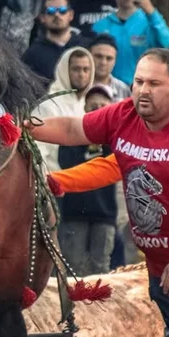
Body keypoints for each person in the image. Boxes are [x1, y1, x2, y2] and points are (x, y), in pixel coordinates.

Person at [27, 49, 169, 337]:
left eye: (154, 84)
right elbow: (76, 130)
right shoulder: (125, 116)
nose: (142, 91)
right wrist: (17, 126)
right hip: (161, 261)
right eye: (139, 82)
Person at [57, 83, 117, 276]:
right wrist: (89, 140)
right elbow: (65, 164)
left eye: (103, 106)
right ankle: (73, 306)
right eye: (93, 106)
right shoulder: (73, 134)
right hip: (74, 213)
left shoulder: (116, 139)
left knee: (101, 269)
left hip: (105, 215)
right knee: (74, 268)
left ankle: (101, 307)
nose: (98, 110)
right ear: (85, 108)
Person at [92, 0, 169, 86]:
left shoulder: (150, 21)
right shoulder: (100, 25)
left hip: (141, 88)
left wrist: (150, 10)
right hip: (108, 89)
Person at [32, 47, 95, 172]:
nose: (82, 75)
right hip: (55, 181)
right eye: (76, 69)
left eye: (86, 69)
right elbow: (36, 151)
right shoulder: (49, 106)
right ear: (65, 71)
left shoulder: (88, 105)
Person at [23, 0, 89, 83]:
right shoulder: (32, 54)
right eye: (51, 11)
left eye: (62, 10)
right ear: (42, 17)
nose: (57, 15)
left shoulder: (86, 47)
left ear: (71, 15)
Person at [89, 33, 131, 100]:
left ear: (115, 61)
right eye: (98, 56)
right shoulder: (78, 87)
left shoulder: (125, 91)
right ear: (89, 56)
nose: (103, 62)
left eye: (109, 58)